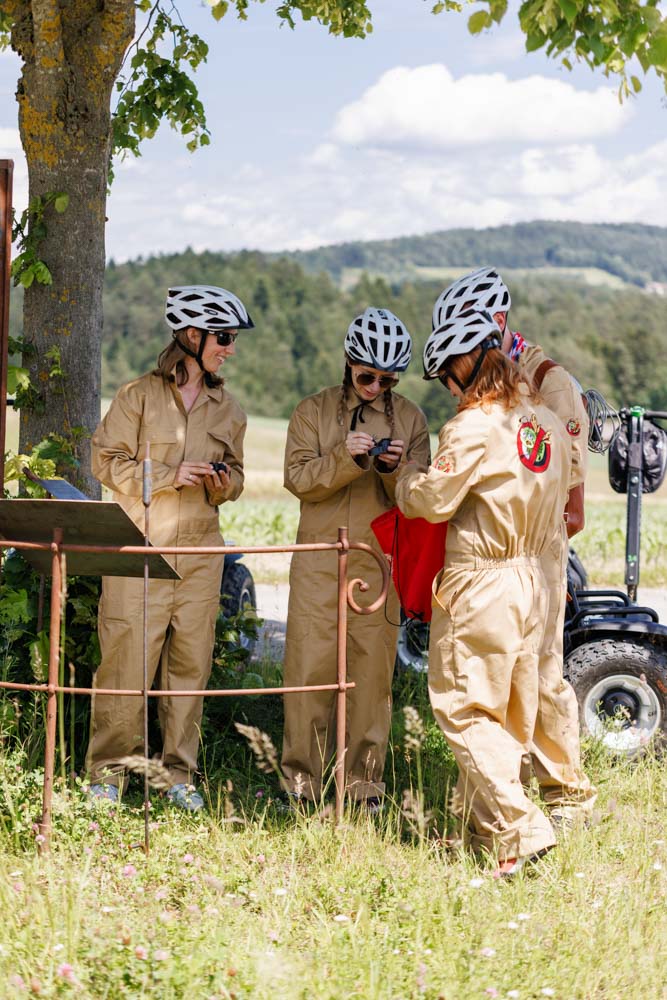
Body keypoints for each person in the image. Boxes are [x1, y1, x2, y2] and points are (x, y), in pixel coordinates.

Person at [395, 308, 572, 874]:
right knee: (510, 712)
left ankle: (523, 828)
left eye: (447, 375)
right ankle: (488, 839)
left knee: (464, 709)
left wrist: (404, 481)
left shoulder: (473, 426)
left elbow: (434, 501)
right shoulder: (542, 420)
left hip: (482, 580)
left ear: (467, 364)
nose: (448, 390)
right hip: (534, 578)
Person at [432, 267, 596, 827]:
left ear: (496, 322)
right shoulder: (499, 379)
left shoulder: (550, 382)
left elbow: (569, 498)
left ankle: (563, 795)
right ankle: (499, 804)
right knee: (502, 681)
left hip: (537, 552)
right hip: (512, 553)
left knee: (543, 677)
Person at [86, 285, 253, 811]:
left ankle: (178, 775)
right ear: (191, 335)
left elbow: (240, 478)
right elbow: (104, 461)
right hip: (140, 552)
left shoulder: (230, 410)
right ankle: (107, 777)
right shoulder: (136, 396)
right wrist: (165, 474)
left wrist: (221, 481)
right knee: (125, 666)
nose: (230, 348)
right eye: (223, 338)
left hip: (202, 556)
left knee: (190, 667)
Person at [281, 307, 431, 811]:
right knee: (308, 671)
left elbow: (419, 498)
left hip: (377, 562)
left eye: (387, 379)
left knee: (371, 679)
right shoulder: (312, 410)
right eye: (367, 375)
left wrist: (393, 470)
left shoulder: (410, 418)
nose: (374, 386)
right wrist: (346, 457)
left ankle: (364, 787)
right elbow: (298, 479)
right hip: (318, 560)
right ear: (348, 361)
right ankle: (301, 786)